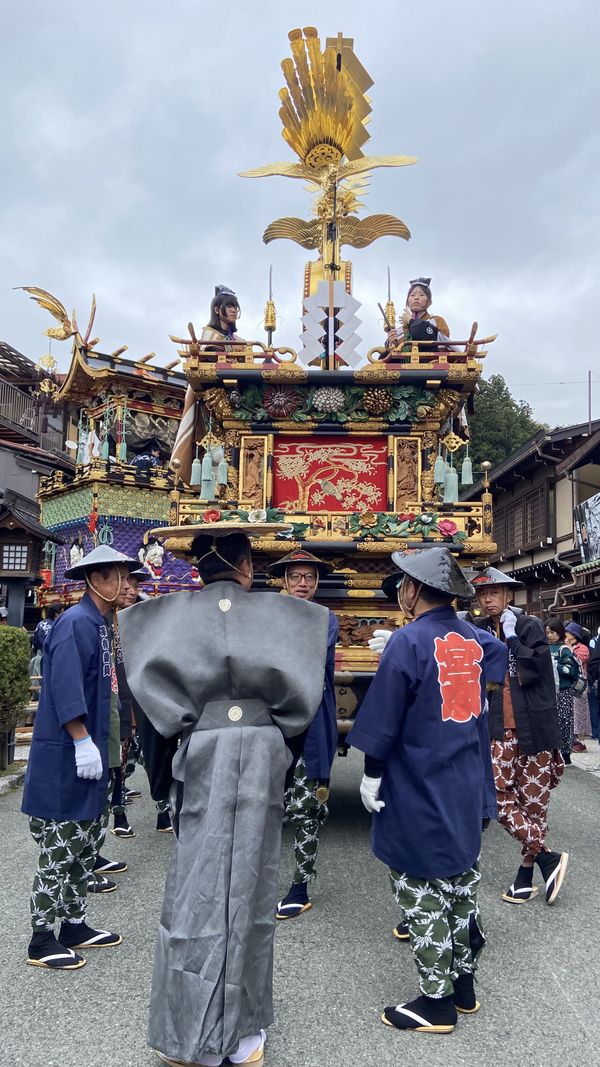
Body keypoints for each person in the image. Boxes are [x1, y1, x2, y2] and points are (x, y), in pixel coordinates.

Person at [118, 520, 329, 1067]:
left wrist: (164, 779)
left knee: (196, 888)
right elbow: (303, 711)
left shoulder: (159, 621)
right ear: (248, 567)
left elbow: (151, 717)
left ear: (196, 569)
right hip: (263, 749)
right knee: (253, 892)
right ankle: (244, 1038)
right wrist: (281, 759)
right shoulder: (291, 617)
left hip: (202, 748)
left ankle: (191, 1036)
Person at [349, 547, 504, 1034]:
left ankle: (435, 1001)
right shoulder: (476, 641)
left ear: (413, 590)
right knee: (461, 884)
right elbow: (496, 663)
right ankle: (464, 983)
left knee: (420, 890)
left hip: (417, 779)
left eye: (402, 584)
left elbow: (383, 720)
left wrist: (371, 773)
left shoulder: (408, 641)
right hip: (465, 779)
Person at [21, 546, 139, 970]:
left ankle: (73, 924)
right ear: (94, 580)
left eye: (127, 577)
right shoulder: (76, 624)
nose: (125, 585)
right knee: (59, 847)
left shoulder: (104, 623)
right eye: (118, 578)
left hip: (96, 754)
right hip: (70, 754)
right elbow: (66, 687)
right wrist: (81, 739)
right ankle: (40, 936)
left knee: (85, 844)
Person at [472, 568, 568, 907]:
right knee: (498, 798)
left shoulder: (527, 625)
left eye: (494, 593)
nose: (488, 599)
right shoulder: (478, 630)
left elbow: (537, 668)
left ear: (508, 595)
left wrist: (511, 639)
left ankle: (525, 877)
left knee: (534, 804)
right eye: (483, 594)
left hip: (535, 727)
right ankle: (547, 856)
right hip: (497, 728)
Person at [266, 550, 339, 920]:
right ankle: (256, 879)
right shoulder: (267, 616)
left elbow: (299, 661)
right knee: (263, 802)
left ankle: (300, 885)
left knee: (308, 807)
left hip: (311, 718)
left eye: (310, 578)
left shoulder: (326, 619)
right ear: (283, 581)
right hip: (271, 721)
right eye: (295, 577)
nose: (303, 584)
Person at [118, 567, 177, 832]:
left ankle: (163, 810)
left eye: (133, 586)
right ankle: (119, 815)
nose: (130, 591)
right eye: (125, 585)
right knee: (120, 764)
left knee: (157, 757)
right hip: (118, 703)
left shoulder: (146, 617)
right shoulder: (104, 622)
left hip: (146, 701)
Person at [171, 286, 244, 484]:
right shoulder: (209, 335)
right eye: (229, 306)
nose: (234, 311)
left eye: (236, 307)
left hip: (235, 397)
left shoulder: (237, 341)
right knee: (214, 449)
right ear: (217, 309)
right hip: (212, 399)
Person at [385, 277, 450, 357]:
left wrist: (410, 321)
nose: (416, 297)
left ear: (429, 302)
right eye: (412, 295)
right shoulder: (399, 331)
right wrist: (390, 344)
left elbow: (429, 339)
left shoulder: (437, 321)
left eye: (421, 295)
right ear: (407, 302)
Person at [545, 618, 578, 764]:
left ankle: (565, 753)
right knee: (551, 722)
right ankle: (552, 751)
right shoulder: (545, 647)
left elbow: (571, 670)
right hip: (549, 690)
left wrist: (555, 665)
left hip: (563, 691)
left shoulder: (564, 649)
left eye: (552, 632)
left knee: (564, 722)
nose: (550, 635)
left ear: (559, 632)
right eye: (547, 632)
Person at [564, 621, 592, 752]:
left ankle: (579, 741)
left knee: (578, 713)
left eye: (567, 632)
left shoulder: (583, 648)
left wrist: (570, 649)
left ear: (573, 634)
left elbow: (578, 661)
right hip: (568, 683)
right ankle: (571, 739)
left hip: (579, 685)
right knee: (569, 711)